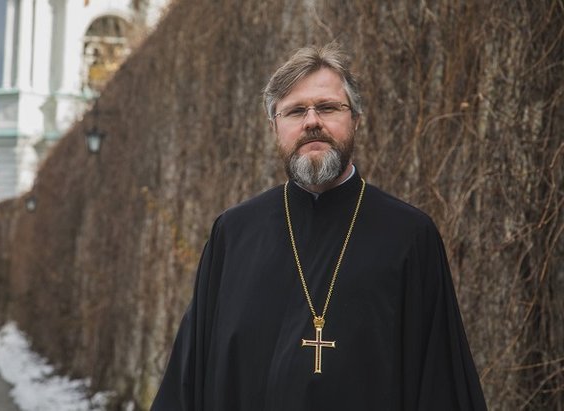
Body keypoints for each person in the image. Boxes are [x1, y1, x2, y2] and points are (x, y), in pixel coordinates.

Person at [152, 43, 487, 410]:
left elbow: (441, 383)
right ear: (275, 127)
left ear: (355, 119)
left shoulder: (410, 237)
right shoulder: (233, 235)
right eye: (295, 111)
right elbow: (189, 382)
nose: (312, 121)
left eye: (327, 107)